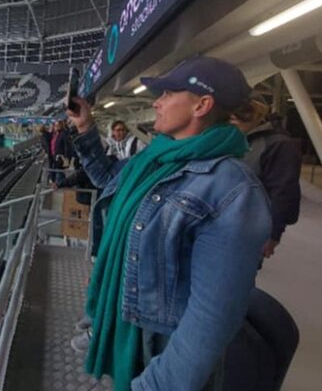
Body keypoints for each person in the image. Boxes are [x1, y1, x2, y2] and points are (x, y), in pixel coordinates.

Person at [67, 56, 270, 391]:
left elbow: (211, 319)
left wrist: (157, 385)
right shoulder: (152, 160)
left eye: (167, 94)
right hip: (130, 330)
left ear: (202, 105)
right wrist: (85, 127)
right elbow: (106, 179)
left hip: (161, 355)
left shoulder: (232, 190)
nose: (156, 102)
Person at [230, 100, 301, 260]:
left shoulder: (278, 144)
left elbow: (283, 192)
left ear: (259, 115)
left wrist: (273, 234)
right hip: (224, 222)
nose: (234, 117)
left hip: (250, 227)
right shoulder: (233, 139)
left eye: (245, 112)